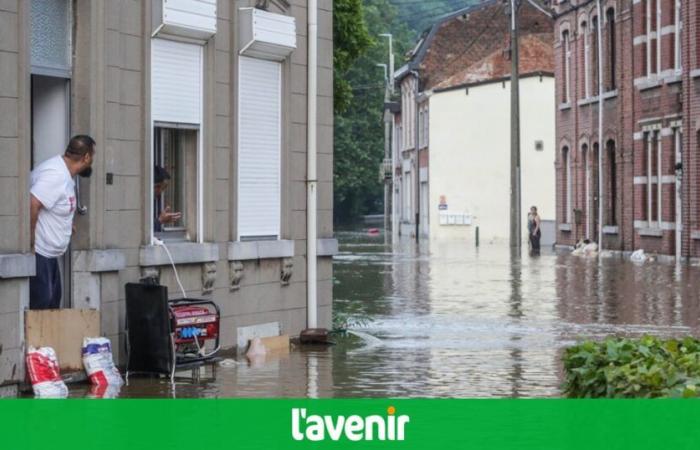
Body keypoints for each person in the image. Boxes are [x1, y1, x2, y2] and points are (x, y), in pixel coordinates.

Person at [29, 135, 95, 309]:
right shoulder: (56, 175)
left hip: (50, 254)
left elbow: (54, 204)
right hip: (40, 252)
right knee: (42, 306)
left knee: (53, 302)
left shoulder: (64, 174)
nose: (91, 162)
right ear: (86, 157)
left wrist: (66, 223)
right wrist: (30, 240)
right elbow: (33, 204)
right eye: (92, 157)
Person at [153, 165, 181, 232]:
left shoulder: (156, 203)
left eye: (163, 188)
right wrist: (159, 221)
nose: (160, 191)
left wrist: (160, 221)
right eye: (157, 187)